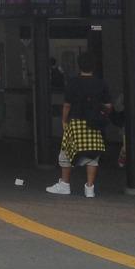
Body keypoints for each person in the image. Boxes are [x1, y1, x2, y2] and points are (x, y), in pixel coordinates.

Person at [47, 52, 111, 198]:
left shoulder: (73, 83)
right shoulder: (101, 83)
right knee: (92, 155)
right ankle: (90, 188)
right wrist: (101, 113)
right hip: (94, 124)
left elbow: (67, 105)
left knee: (66, 154)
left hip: (76, 122)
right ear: (94, 66)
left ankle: (65, 185)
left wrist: (64, 121)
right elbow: (108, 106)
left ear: (79, 65)